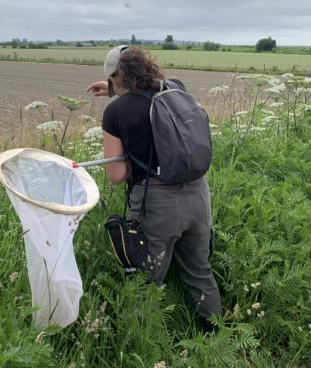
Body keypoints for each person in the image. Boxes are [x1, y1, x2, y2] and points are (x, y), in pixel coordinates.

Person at [86, 45, 222, 332]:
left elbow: (117, 174)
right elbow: (149, 93)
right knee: (199, 271)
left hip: (157, 205)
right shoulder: (176, 89)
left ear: (115, 78)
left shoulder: (116, 113)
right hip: (198, 194)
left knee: (146, 280)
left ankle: (143, 341)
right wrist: (113, 90)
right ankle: (216, 336)